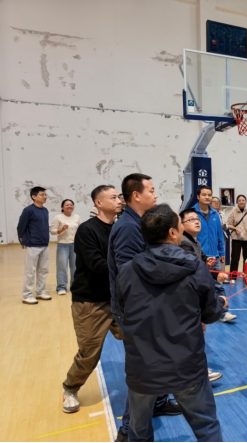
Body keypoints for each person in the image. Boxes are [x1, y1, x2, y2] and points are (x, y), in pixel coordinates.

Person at [116, 204, 226, 442]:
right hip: (186, 366)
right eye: (180, 223)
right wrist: (220, 303)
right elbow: (210, 314)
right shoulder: (195, 268)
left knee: (138, 433)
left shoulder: (126, 270)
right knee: (207, 428)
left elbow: (124, 312)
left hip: (142, 367)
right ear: (173, 232)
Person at [108, 173, 180, 442]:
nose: (156, 194)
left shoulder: (138, 223)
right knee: (144, 369)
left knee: (158, 359)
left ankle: (158, 402)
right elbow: (129, 276)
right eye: (151, 190)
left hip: (147, 307)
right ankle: (128, 430)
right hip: (136, 310)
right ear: (136, 195)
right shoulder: (129, 228)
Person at [62, 186, 124, 414]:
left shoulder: (120, 228)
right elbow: (97, 265)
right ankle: (70, 389)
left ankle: (159, 383)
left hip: (117, 299)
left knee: (142, 338)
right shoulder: (87, 230)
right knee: (89, 353)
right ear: (98, 202)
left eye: (119, 197)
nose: (119, 200)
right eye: (113, 197)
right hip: (90, 303)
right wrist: (133, 269)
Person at [179, 208, 229, 383]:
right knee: (193, 335)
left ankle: (195, 369)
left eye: (197, 219)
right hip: (189, 296)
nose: (196, 221)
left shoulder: (194, 241)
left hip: (193, 295)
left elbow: (200, 262)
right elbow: (195, 269)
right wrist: (213, 276)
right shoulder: (184, 243)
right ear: (181, 225)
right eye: (191, 219)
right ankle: (196, 372)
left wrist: (208, 264)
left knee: (197, 334)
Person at [194, 186, 237, 322]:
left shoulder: (215, 214)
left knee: (218, 284)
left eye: (209, 195)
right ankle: (197, 314)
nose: (207, 197)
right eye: (204, 194)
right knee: (198, 285)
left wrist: (222, 252)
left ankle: (223, 313)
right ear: (198, 196)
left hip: (215, 256)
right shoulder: (192, 214)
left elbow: (219, 235)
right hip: (198, 257)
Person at [17, 186, 51, 305]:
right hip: (32, 245)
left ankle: (41, 292)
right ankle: (27, 295)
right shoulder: (28, 210)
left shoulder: (45, 210)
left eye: (45, 195)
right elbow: (21, 226)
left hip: (44, 244)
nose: (45, 197)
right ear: (34, 197)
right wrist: (22, 240)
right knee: (30, 271)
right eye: (42, 195)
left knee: (43, 270)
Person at [50, 199, 81, 295]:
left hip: (75, 245)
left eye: (71, 205)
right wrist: (61, 229)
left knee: (75, 266)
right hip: (63, 245)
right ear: (62, 207)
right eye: (67, 205)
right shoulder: (58, 217)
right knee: (62, 266)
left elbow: (80, 230)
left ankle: (74, 286)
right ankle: (61, 287)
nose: (69, 206)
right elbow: (52, 231)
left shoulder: (77, 217)